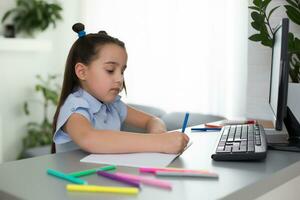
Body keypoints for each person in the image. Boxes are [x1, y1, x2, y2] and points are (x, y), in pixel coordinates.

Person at [52, 23, 189, 154]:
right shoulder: (75, 107)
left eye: (122, 71)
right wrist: (158, 143)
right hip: (76, 178)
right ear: (82, 72)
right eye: (110, 70)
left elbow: (153, 120)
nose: (119, 79)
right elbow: (90, 139)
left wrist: (159, 135)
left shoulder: (113, 105)